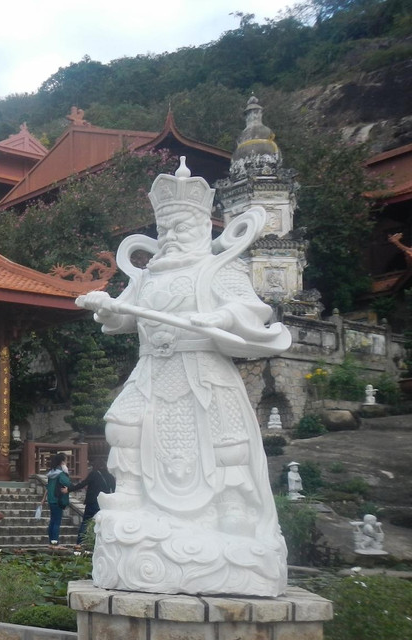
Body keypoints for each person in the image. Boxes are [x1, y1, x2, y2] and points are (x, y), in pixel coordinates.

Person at [76, 157, 292, 596]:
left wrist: (221, 315)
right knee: (123, 423)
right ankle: (132, 492)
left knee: (223, 437)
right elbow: (122, 320)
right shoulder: (150, 275)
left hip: (202, 367)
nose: (173, 237)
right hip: (154, 367)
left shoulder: (219, 269)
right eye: (166, 229)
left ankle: (231, 506)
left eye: (182, 228)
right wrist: (105, 305)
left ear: (203, 226)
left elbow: (253, 310)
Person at [68, 458, 116, 544]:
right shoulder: (110, 476)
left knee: (86, 522)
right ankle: (100, 543)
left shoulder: (94, 474)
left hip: (92, 502)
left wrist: (69, 489)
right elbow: (114, 490)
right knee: (102, 523)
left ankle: (80, 543)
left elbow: (83, 484)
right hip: (104, 503)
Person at [45, 452, 71, 545]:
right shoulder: (61, 473)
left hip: (51, 499)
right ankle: (55, 541)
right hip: (58, 499)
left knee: (52, 520)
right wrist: (66, 473)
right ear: (62, 462)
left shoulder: (51, 472)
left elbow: (48, 487)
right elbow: (68, 484)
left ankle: (51, 541)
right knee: (57, 522)